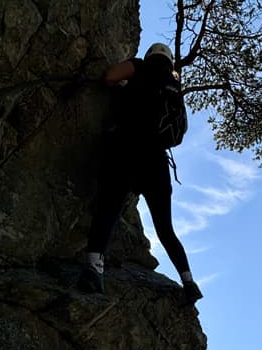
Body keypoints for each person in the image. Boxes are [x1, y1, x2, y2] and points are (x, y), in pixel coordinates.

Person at [77, 42, 203, 304]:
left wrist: (124, 87)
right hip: (157, 161)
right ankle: (189, 281)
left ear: (150, 55)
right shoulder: (173, 88)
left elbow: (111, 76)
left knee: (108, 209)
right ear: (169, 61)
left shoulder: (140, 66)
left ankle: (93, 269)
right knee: (165, 229)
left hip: (128, 150)